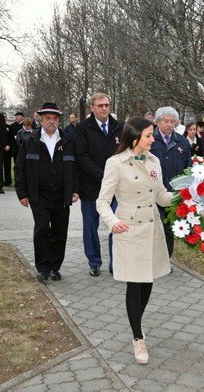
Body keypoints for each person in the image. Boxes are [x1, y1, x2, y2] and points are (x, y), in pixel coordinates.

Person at [96, 116, 173, 365]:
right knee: (135, 284)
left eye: (152, 135)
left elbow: (161, 196)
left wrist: (186, 196)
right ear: (134, 137)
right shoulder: (115, 163)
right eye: (149, 135)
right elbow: (102, 201)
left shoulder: (154, 161)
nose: (153, 139)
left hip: (152, 229)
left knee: (148, 281)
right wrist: (112, 222)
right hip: (129, 230)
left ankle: (136, 323)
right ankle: (138, 337)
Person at [14, 102, 79, 282]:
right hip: (39, 195)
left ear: (59, 121)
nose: (51, 121)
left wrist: (75, 189)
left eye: (55, 118)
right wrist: (22, 193)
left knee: (59, 232)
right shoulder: (30, 141)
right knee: (42, 230)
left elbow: (75, 168)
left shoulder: (68, 141)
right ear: (41, 120)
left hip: (61, 195)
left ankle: (54, 268)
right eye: (48, 118)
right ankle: (43, 268)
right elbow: (20, 168)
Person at [74, 93, 122, 277]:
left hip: (116, 187)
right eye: (100, 105)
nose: (104, 108)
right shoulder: (82, 128)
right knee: (90, 226)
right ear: (92, 107)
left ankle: (115, 262)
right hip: (91, 186)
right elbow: (81, 156)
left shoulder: (119, 127)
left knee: (116, 223)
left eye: (107, 105)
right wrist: (103, 176)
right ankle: (94, 262)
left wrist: (113, 177)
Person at [150, 106, 192, 257]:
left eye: (172, 121)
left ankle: (166, 260)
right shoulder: (150, 140)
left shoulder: (182, 141)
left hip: (173, 193)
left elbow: (188, 167)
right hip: (153, 193)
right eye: (165, 121)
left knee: (168, 229)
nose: (169, 124)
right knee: (155, 228)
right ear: (157, 122)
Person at [5, 112, 25, 187]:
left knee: (24, 165)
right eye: (16, 116)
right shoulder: (12, 126)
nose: (16, 117)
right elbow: (9, 137)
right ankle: (16, 180)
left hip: (24, 148)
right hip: (15, 149)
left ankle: (23, 180)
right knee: (16, 165)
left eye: (18, 116)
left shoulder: (25, 125)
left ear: (22, 117)